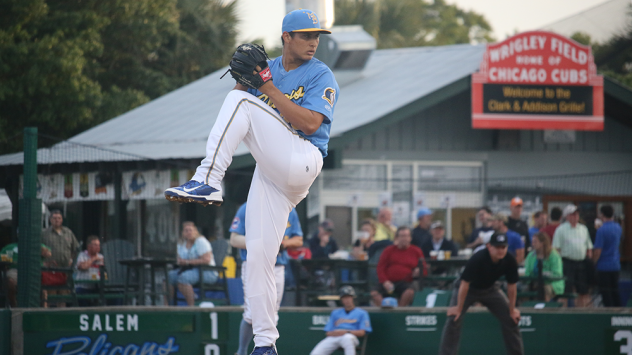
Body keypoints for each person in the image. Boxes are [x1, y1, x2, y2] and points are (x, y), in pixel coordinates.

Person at [164, 8, 337, 353]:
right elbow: (240, 103)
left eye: (317, 35)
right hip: (271, 170)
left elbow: (311, 124)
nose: (313, 41)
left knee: (239, 103)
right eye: (306, 35)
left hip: (303, 159)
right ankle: (265, 344)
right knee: (258, 257)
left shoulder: (320, 74)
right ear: (287, 37)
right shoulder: (267, 68)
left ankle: (208, 179)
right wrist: (245, 79)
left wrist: (264, 86)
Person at [230, 203, 303, 355]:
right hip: (254, 263)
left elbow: (298, 240)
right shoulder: (248, 206)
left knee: (272, 314)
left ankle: (268, 351)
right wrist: (262, 242)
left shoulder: (288, 207)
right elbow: (234, 239)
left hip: (278, 265)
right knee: (252, 312)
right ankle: (242, 351)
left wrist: (283, 243)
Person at [439, 233, 524, 355]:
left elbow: (512, 286)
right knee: (454, 319)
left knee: (512, 320)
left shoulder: (509, 260)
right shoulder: (478, 258)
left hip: (490, 289)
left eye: (503, 247)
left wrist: (512, 309)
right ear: (489, 246)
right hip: (468, 289)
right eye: (497, 247)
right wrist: (458, 308)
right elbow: (465, 283)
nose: (500, 250)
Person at [371, 227, 427, 307]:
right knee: (374, 293)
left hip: (406, 282)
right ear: (397, 238)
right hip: (388, 282)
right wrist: (385, 281)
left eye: (407, 236)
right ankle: (384, 311)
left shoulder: (416, 251)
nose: (405, 239)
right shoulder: (388, 250)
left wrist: (419, 271)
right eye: (402, 236)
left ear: (410, 238)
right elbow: (380, 267)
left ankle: (399, 311)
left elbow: (424, 269)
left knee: (410, 292)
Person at [310, 286, 372, 355]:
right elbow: (328, 332)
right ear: (341, 300)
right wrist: (337, 333)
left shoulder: (362, 313)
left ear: (353, 298)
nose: (347, 300)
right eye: (344, 298)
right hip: (334, 337)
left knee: (347, 338)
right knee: (315, 353)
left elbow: (362, 332)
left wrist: (346, 332)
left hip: (350, 336)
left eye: (348, 297)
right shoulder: (335, 313)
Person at [168, 222, 218, 306]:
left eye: (191, 230)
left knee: (184, 278)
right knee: (169, 276)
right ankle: (167, 306)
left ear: (195, 231)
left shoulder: (200, 241)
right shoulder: (181, 243)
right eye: (186, 230)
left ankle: (191, 307)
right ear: (182, 233)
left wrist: (187, 262)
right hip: (188, 269)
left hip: (208, 271)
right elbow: (178, 258)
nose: (189, 232)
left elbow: (207, 259)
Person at [552, 204, 593, 307]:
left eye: (577, 214)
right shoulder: (560, 230)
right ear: (567, 216)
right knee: (565, 292)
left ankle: (581, 315)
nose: (575, 216)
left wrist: (588, 261)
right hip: (567, 263)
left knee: (583, 292)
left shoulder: (583, 229)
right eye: (573, 214)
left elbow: (589, 248)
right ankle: (562, 316)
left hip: (581, 263)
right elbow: (556, 249)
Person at [41, 209, 80, 307]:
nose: (57, 220)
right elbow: (39, 250)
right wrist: (44, 263)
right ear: (50, 220)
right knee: (50, 297)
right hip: (50, 270)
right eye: (54, 218)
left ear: (62, 220)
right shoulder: (44, 233)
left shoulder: (68, 232)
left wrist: (72, 260)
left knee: (63, 296)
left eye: (59, 218)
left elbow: (76, 249)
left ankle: (62, 315)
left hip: (65, 270)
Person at [0, 242, 51, 307]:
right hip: (15, 270)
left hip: (33, 271)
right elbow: (5, 262)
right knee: (10, 283)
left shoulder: (37, 245)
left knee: (43, 291)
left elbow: (49, 254)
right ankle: (14, 306)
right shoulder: (10, 247)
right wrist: (13, 262)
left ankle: (43, 311)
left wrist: (44, 252)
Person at [593, 205, 621, 307]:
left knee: (606, 293)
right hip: (616, 265)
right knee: (615, 291)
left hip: (604, 266)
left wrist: (594, 262)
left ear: (602, 214)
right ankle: (619, 313)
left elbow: (598, 251)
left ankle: (608, 315)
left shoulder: (601, 230)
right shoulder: (618, 227)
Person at [523, 232, 564, 301]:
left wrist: (545, 274)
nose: (533, 244)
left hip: (552, 283)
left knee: (545, 289)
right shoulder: (531, 255)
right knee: (523, 290)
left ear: (542, 243)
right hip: (534, 282)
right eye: (532, 242)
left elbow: (557, 273)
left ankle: (544, 310)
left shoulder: (554, 255)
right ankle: (527, 310)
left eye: (535, 242)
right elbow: (527, 272)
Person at [74, 235, 104, 306]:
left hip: (96, 286)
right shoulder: (81, 255)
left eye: (99, 245)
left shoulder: (101, 256)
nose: (98, 247)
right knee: (79, 294)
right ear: (89, 246)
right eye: (95, 245)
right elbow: (83, 267)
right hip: (82, 287)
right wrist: (93, 259)